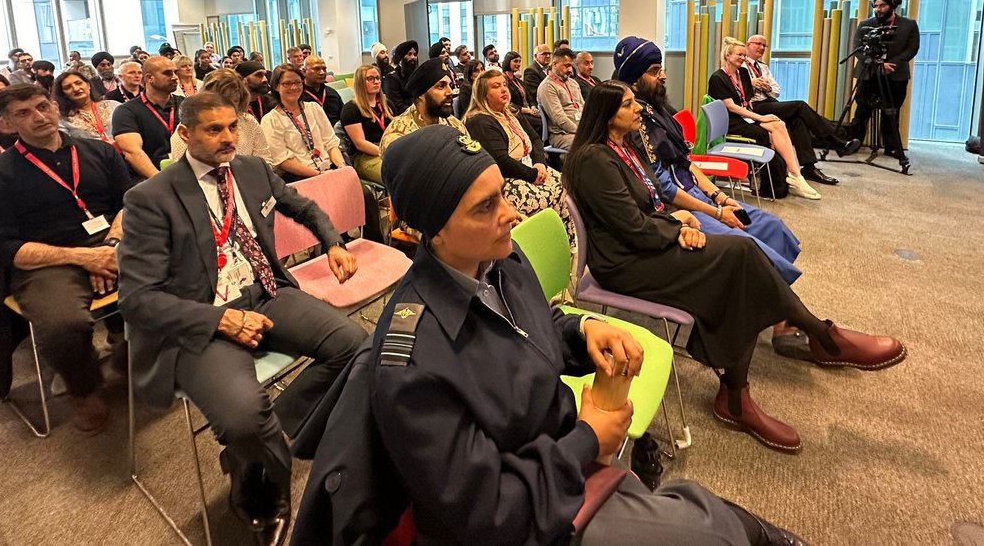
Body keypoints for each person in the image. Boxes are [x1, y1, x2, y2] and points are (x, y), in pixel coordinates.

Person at [342, 123, 808, 545]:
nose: (509, 214)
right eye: (485, 207)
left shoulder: (498, 260)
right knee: (713, 534)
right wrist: (588, 441)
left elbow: (529, 328)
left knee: (711, 516)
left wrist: (584, 329)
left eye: (502, 194)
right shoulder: (412, 362)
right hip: (534, 517)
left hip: (562, 461)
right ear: (433, 230)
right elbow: (485, 515)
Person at [564, 82, 906, 452]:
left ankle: (740, 392)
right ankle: (819, 338)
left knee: (740, 265)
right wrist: (679, 227)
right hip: (625, 262)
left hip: (647, 241)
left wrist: (687, 218)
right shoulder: (594, 160)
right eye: (629, 105)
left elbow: (654, 200)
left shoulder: (623, 146)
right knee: (739, 258)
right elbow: (631, 226)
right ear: (607, 114)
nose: (639, 109)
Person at [119, 93, 365, 541]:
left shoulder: (251, 171)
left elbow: (304, 207)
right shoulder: (151, 198)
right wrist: (221, 322)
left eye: (232, 127)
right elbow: (137, 298)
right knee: (243, 417)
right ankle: (266, 481)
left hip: (266, 293)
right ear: (185, 134)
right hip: (203, 318)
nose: (228, 137)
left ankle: (253, 448)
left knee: (356, 347)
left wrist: (332, 242)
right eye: (214, 130)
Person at [0, 84, 131, 433]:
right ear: (6, 124)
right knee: (63, 324)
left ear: (56, 108)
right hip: (45, 262)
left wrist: (112, 246)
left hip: (110, 243)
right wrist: (84, 259)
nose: (39, 117)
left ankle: (138, 351)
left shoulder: (99, 152)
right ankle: (84, 389)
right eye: (23, 113)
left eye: (43, 106)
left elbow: (129, 203)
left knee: (185, 271)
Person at [613, 37, 802, 289]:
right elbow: (664, 187)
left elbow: (687, 163)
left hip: (696, 193)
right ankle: (778, 313)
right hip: (677, 206)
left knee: (771, 225)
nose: (664, 76)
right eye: (654, 71)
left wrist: (719, 197)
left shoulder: (659, 110)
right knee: (746, 246)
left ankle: (771, 295)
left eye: (661, 68)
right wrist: (717, 213)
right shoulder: (635, 122)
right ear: (634, 79)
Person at [462, 69, 576, 250]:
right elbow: (500, 161)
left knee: (565, 185)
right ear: (483, 94)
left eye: (504, 85)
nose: (504, 90)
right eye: (496, 86)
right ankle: (541, 251)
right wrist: (532, 175)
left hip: (530, 168)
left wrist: (540, 163)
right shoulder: (479, 121)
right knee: (545, 197)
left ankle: (564, 248)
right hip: (505, 178)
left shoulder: (511, 112)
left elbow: (536, 139)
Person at [708, 41, 821, 200]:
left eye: (744, 55)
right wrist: (761, 117)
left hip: (745, 116)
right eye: (739, 55)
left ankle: (794, 173)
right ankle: (787, 177)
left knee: (779, 124)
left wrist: (761, 115)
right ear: (728, 56)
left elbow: (747, 101)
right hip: (731, 123)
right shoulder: (717, 78)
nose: (742, 58)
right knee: (769, 132)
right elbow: (731, 107)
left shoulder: (743, 74)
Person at [742, 34, 861, 183]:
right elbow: (736, 87)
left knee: (798, 120)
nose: (761, 48)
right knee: (800, 105)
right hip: (753, 107)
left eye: (764, 45)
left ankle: (809, 167)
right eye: (757, 44)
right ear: (748, 45)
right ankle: (836, 142)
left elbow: (777, 90)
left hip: (768, 101)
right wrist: (751, 82)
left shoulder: (763, 67)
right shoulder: (741, 66)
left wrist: (767, 88)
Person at [848, 0, 920, 160]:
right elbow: (857, 49)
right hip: (869, 74)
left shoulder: (908, 25)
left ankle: (891, 146)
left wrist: (892, 63)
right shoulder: (865, 25)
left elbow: (912, 48)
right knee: (862, 111)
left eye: (882, 5)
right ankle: (852, 141)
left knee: (891, 112)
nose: (878, 9)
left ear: (892, 5)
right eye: (876, 5)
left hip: (895, 75)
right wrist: (879, 64)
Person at [170, 68, 272, 165]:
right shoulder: (190, 129)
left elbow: (265, 160)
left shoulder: (248, 121)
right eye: (221, 102)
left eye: (234, 101)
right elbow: (183, 173)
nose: (227, 109)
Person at [262, 63, 344, 180]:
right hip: (299, 176)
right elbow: (283, 160)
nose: (294, 87)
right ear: (276, 86)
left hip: (328, 168)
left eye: (297, 82)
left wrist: (341, 167)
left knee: (363, 193)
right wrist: (319, 175)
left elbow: (331, 143)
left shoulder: (314, 108)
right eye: (287, 84)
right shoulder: (270, 120)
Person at [111, 57, 182, 182]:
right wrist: (162, 182)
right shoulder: (126, 111)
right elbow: (132, 152)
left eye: (175, 72)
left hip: (186, 172)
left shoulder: (186, 105)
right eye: (167, 73)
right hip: (149, 177)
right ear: (149, 78)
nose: (175, 77)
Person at [380, 58, 466, 154]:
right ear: (421, 94)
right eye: (441, 86)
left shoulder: (455, 125)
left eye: (450, 85)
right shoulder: (399, 134)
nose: (450, 92)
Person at [340, 64, 393, 185]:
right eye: (370, 79)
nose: (376, 82)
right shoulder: (350, 109)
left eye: (378, 78)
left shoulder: (387, 104)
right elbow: (360, 144)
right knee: (396, 174)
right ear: (360, 82)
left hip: (388, 149)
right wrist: (387, 152)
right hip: (365, 156)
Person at [55, 69, 118, 146]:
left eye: (78, 83)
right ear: (63, 94)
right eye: (68, 87)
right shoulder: (63, 119)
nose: (76, 89)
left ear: (88, 85)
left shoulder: (114, 106)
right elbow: (67, 147)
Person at [537, 46, 582, 151]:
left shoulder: (573, 83)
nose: (570, 70)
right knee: (589, 147)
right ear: (554, 65)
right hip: (562, 134)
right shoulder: (547, 87)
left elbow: (584, 107)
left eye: (571, 66)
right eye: (566, 66)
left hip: (579, 130)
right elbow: (559, 118)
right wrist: (581, 132)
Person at [301, 54, 343, 126]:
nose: (322, 72)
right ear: (304, 71)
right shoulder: (298, 96)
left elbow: (343, 118)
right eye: (316, 69)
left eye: (324, 69)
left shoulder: (332, 93)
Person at [501, 50, 540, 122]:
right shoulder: (503, 81)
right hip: (515, 114)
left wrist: (533, 107)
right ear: (507, 62)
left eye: (519, 62)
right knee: (539, 123)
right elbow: (509, 104)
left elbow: (529, 97)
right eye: (515, 61)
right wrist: (527, 110)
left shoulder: (519, 81)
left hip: (527, 111)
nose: (518, 64)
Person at [382, 40, 418, 115]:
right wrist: (418, 111)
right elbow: (397, 105)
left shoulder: (416, 76)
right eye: (409, 54)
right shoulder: (391, 78)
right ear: (401, 58)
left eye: (415, 54)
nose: (413, 57)